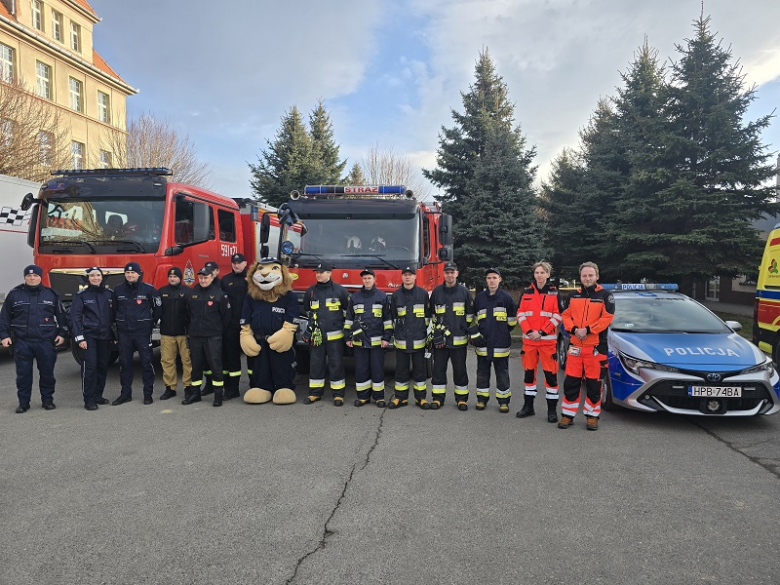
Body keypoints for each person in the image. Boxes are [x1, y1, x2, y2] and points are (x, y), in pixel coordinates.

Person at [0, 265, 66, 413]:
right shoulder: (15, 294)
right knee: (23, 375)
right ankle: (23, 403)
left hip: (45, 341)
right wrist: (4, 335)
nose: (32, 278)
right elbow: (4, 317)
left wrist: (62, 334)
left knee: (47, 373)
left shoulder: (51, 294)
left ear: (40, 277)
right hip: (22, 342)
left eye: (35, 276)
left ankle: (47, 400)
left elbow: (62, 316)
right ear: (24, 278)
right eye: (29, 276)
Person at [559, 261, 614, 431]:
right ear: (580, 277)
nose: (587, 278)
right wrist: (574, 329)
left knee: (594, 385)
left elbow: (607, 318)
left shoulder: (605, 296)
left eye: (591, 275)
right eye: (584, 275)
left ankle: (592, 417)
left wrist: (588, 330)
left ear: (597, 276)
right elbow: (565, 315)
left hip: (596, 348)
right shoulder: (573, 295)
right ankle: (568, 415)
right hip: (575, 347)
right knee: (571, 384)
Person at [516, 261, 563, 422]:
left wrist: (542, 332)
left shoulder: (554, 293)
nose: (539, 275)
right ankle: (528, 407)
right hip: (529, 343)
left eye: (542, 272)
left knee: (551, 377)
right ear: (534, 274)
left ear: (548, 274)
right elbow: (520, 314)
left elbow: (558, 315)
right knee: (529, 376)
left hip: (547, 343)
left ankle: (552, 411)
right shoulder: (526, 292)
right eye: (537, 272)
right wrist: (529, 332)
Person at [112, 261, 162, 406]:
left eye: (133, 272)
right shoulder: (118, 290)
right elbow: (115, 310)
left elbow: (158, 309)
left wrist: (150, 323)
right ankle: (125, 394)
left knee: (146, 363)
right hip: (124, 333)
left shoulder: (148, 289)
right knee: (125, 363)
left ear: (138, 274)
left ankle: (148, 394)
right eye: (127, 273)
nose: (130, 275)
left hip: (142, 333)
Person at [302, 262, 350, 406]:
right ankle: (315, 394)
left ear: (329, 273)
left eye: (322, 272)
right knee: (316, 365)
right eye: (317, 272)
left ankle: (338, 395)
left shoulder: (340, 291)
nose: (318, 274)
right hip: (317, 337)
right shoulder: (311, 291)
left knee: (336, 365)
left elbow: (348, 313)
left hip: (335, 338)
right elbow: (308, 311)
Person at [471, 267, 517, 413]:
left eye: (494, 277)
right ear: (486, 280)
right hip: (483, 344)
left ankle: (503, 402)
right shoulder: (479, 298)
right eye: (489, 278)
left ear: (500, 279)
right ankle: (481, 400)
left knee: (502, 373)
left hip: (500, 344)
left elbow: (511, 323)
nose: (492, 280)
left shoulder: (506, 298)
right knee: (482, 373)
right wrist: (476, 333)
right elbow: (475, 320)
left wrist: (501, 333)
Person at [183, 266, 231, 406]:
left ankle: (218, 395)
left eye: (206, 277)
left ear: (212, 278)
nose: (203, 280)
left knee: (215, 366)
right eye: (201, 277)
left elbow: (226, 317)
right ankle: (195, 394)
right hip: (196, 336)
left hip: (212, 337)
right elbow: (188, 314)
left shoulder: (220, 295)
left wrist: (217, 330)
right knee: (196, 367)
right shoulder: (192, 294)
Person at [429, 262, 474, 411]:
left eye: (452, 272)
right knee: (438, 370)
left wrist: (466, 331)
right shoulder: (436, 292)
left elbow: (469, 315)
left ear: (456, 273)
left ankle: (461, 400)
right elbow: (432, 315)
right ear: (443, 274)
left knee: (460, 371)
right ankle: (437, 398)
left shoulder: (464, 292)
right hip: (440, 341)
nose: (449, 275)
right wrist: (435, 333)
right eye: (447, 272)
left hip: (459, 341)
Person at [345, 268, 392, 407]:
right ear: (362, 280)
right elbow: (349, 318)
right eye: (364, 278)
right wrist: (347, 338)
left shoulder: (382, 297)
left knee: (377, 369)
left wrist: (386, 338)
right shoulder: (355, 297)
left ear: (374, 279)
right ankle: (363, 397)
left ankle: (379, 397)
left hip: (377, 342)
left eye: (369, 278)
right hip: (360, 341)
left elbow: (387, 319)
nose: (367, 280)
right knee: (361, 369)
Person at [69, 267, 114, 410]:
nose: (95, 278)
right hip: (89, 337)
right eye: (92, 276)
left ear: (102, 277)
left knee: (102, 366)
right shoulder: (81, 295)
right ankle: (88, 399)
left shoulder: (109, 294)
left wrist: (115, 335)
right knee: (90, 367)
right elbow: (74, 318)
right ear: (88, 278)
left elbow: (115, 317)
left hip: (105, 336)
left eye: (98, 275)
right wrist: (79, 338)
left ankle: (97, 395)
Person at [389, 266, 431, 409]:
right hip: (401, 340)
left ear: (415, 277)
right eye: (405, 275)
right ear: (402, 277)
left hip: (419, 340)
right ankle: (401, 398)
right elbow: (393, 317)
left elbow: (427, 317)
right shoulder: (396, 295)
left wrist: (423, 333)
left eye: (410, 275)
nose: (407, 277)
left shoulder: (423, 294)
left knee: (420, 372)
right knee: (401, 371)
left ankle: (421, 399)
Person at [157, 267, 192, 401]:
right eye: (170, 277)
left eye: (175, 277)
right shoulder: (162, 291)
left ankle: (188, 387)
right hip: (167, 333)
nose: (172, 279)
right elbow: (157, 310)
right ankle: (170, 388)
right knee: (167, 361)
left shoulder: (188, 292)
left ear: (180, 278)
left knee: (187, 361)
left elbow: (192, 313)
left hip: (184, 334)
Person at [220, 253, 248, 400]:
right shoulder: (225, 280)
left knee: (252, 357)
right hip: (230, 326)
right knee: (230, 357)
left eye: (239, 262)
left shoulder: (251, 279)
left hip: (248, 326)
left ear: (245, 263)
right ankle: (232, 388)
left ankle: (256, 385)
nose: (236, 265)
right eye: (234, 263)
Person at [200, 260, 221, 396]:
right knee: (206, 362)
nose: (210, 272)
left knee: (217, 360)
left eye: (212, 270)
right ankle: (208, 385)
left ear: (216, 272)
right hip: (201, 332)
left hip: (216, 331)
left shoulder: (221, 285)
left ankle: (225, 388)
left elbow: (224, 312)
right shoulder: (197, 288)